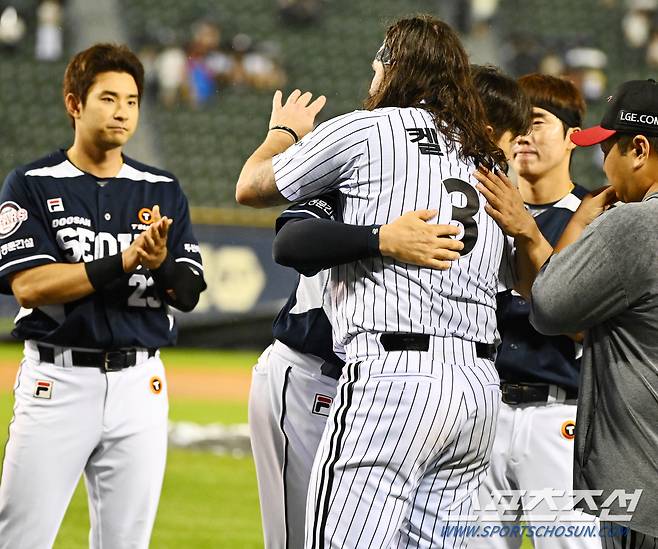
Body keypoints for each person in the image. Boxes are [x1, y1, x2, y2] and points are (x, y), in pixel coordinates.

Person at [234, 15, 550, 547]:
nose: (373, 75)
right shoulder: (485, 157)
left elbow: (251, 186)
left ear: (397, 69)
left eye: (379, 64)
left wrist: (282, 135)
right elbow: (521, 282)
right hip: (476, 393)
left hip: (394, 379)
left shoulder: (366, 128)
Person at [0, 43, 206, 548]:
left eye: (132, 101)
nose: (122, 111)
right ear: (74, 104)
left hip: (141, 385)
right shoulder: (31, 183)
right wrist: (127, 260)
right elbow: (29, 285)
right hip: (58, 382)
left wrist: (159, 266)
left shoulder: (161, 188)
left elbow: (190, 293)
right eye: (108, 97)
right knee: (19, 538)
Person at [471, 74, 602, 549]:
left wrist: (528, 234)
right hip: (484, 413)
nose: (523, 132)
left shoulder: (596, 217)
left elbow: (584, 324)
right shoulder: (477, 212)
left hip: (559, 416)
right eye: (516, 121)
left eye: (539, 120)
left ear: (572, 137)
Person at [530, 79, 658, 548]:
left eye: (610, 149)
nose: (602, 164)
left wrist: (583, 221)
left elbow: (548, 306)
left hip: (644, 489)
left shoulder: (633, 223)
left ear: (639, 148)